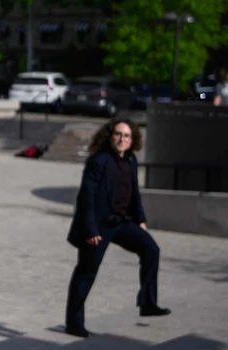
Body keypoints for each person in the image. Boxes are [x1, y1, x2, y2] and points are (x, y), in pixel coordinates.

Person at [65, 117, 168, 338]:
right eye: (118, 134)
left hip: (122, 222)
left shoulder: (130, 160)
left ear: (133, 140)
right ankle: (73, 323)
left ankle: (147, 303)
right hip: (98, 226)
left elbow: (134, 194)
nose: (122, 139)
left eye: (127, 136)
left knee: (151, 249)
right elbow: (86, 197)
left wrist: (140, 219)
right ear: (110, 136)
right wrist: (91, 230)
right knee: (86, 272)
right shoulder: (98, 161)